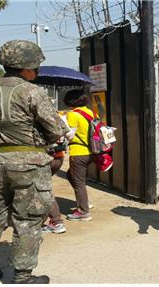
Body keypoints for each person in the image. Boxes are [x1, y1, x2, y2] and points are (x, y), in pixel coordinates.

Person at [0, 40, 69, 284]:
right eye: (36, 67)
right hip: (29, 164)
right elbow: (55, 128)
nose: (37, 71)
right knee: (28, 219)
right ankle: (23, 275)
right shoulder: (32, 91)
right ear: (26, 67)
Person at [64, 89, 96, 222]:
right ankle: (84, 202)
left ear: (70, 101)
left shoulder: (72, 114)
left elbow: (69, 136)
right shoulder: (89, 112)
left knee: (79, 182)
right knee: (70, 175)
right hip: (91, 151)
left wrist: (63, 124)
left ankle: (83, 212)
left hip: (78, 152)